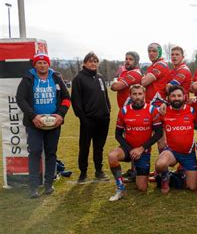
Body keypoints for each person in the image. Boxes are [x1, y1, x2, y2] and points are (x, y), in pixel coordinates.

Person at [16, 53, 71, 198]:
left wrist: (60, 114)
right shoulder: (28, 78)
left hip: (54, 123)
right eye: (39, 63)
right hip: (34, 124)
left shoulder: (56, 78)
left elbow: (66, 98)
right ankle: (33, 187)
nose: (42, 65)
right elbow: (20, 98)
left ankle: (48, 184)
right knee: (34, 152)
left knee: (51, 153)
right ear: (35, 64)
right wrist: (33, 116)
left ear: (49, 64)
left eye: (44, 63)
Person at [107, 85, 162, 201]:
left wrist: (141, 148)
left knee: (142, 188)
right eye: (134, 94)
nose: (137, 97)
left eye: (140, 94)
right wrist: (130, 149)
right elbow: (118, 134)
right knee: (112, 156)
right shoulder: (124, 111)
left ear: (144, 95)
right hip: (127, 149)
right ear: (130, 95)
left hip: (144, 151)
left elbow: (158, 133)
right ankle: (120, 187)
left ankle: (137, 171)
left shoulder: (152, 110)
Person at [71, 52, 111, 184]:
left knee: (99, 147)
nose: (93, 63)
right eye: (90, 61)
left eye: (95, 61)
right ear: (84, 63)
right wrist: (83, 118)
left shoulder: (100, 77)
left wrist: (108, 111)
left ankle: (99, 171)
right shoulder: (78, 79)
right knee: (85, 147)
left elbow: (105, 97)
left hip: (103, 119)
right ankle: (83, 173)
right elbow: (76, 102)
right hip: (88, 120)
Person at [155, 85, 197, 193]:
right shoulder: (163, 111)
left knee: (192, 187)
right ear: (168, 98)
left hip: (189, 153)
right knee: (160, 164)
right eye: (173, 96)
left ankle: (181, 173)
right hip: (172, 152)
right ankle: (165, 177)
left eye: (179, 95)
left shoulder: (192, 110)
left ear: (184, 97)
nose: (176, 98)